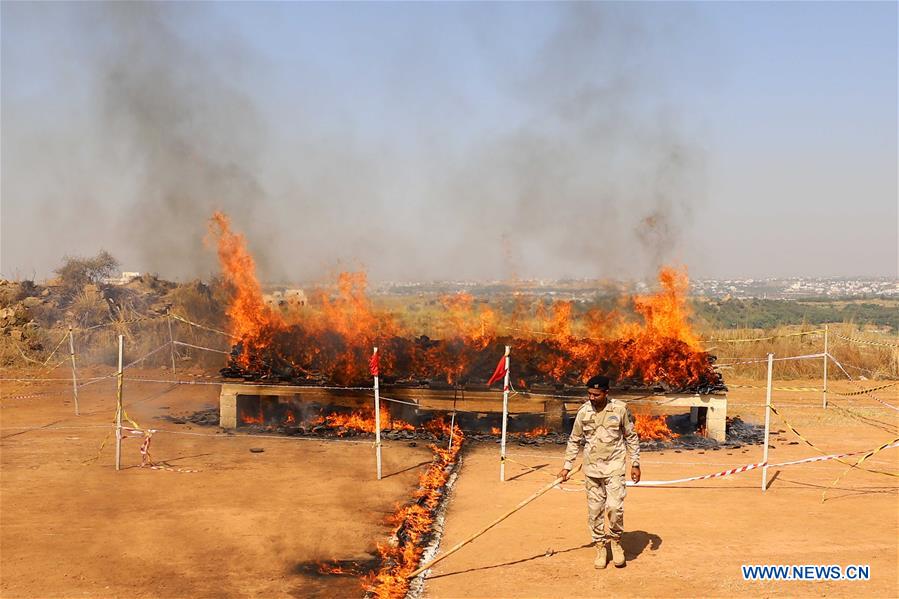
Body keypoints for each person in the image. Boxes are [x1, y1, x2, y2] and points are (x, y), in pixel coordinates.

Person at [558, 374, 641, 569]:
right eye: (589, 394)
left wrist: (635, 463)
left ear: (606, 392)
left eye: (596, 394)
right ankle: (600, 547)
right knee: (594, 511)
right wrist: (567, 466)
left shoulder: (620, 409)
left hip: (615, 466)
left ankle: (616, 542)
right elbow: (574, 439)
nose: (592, 398)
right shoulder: (583, 412)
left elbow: (631, 437)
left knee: (614, 507)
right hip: (592, 469)